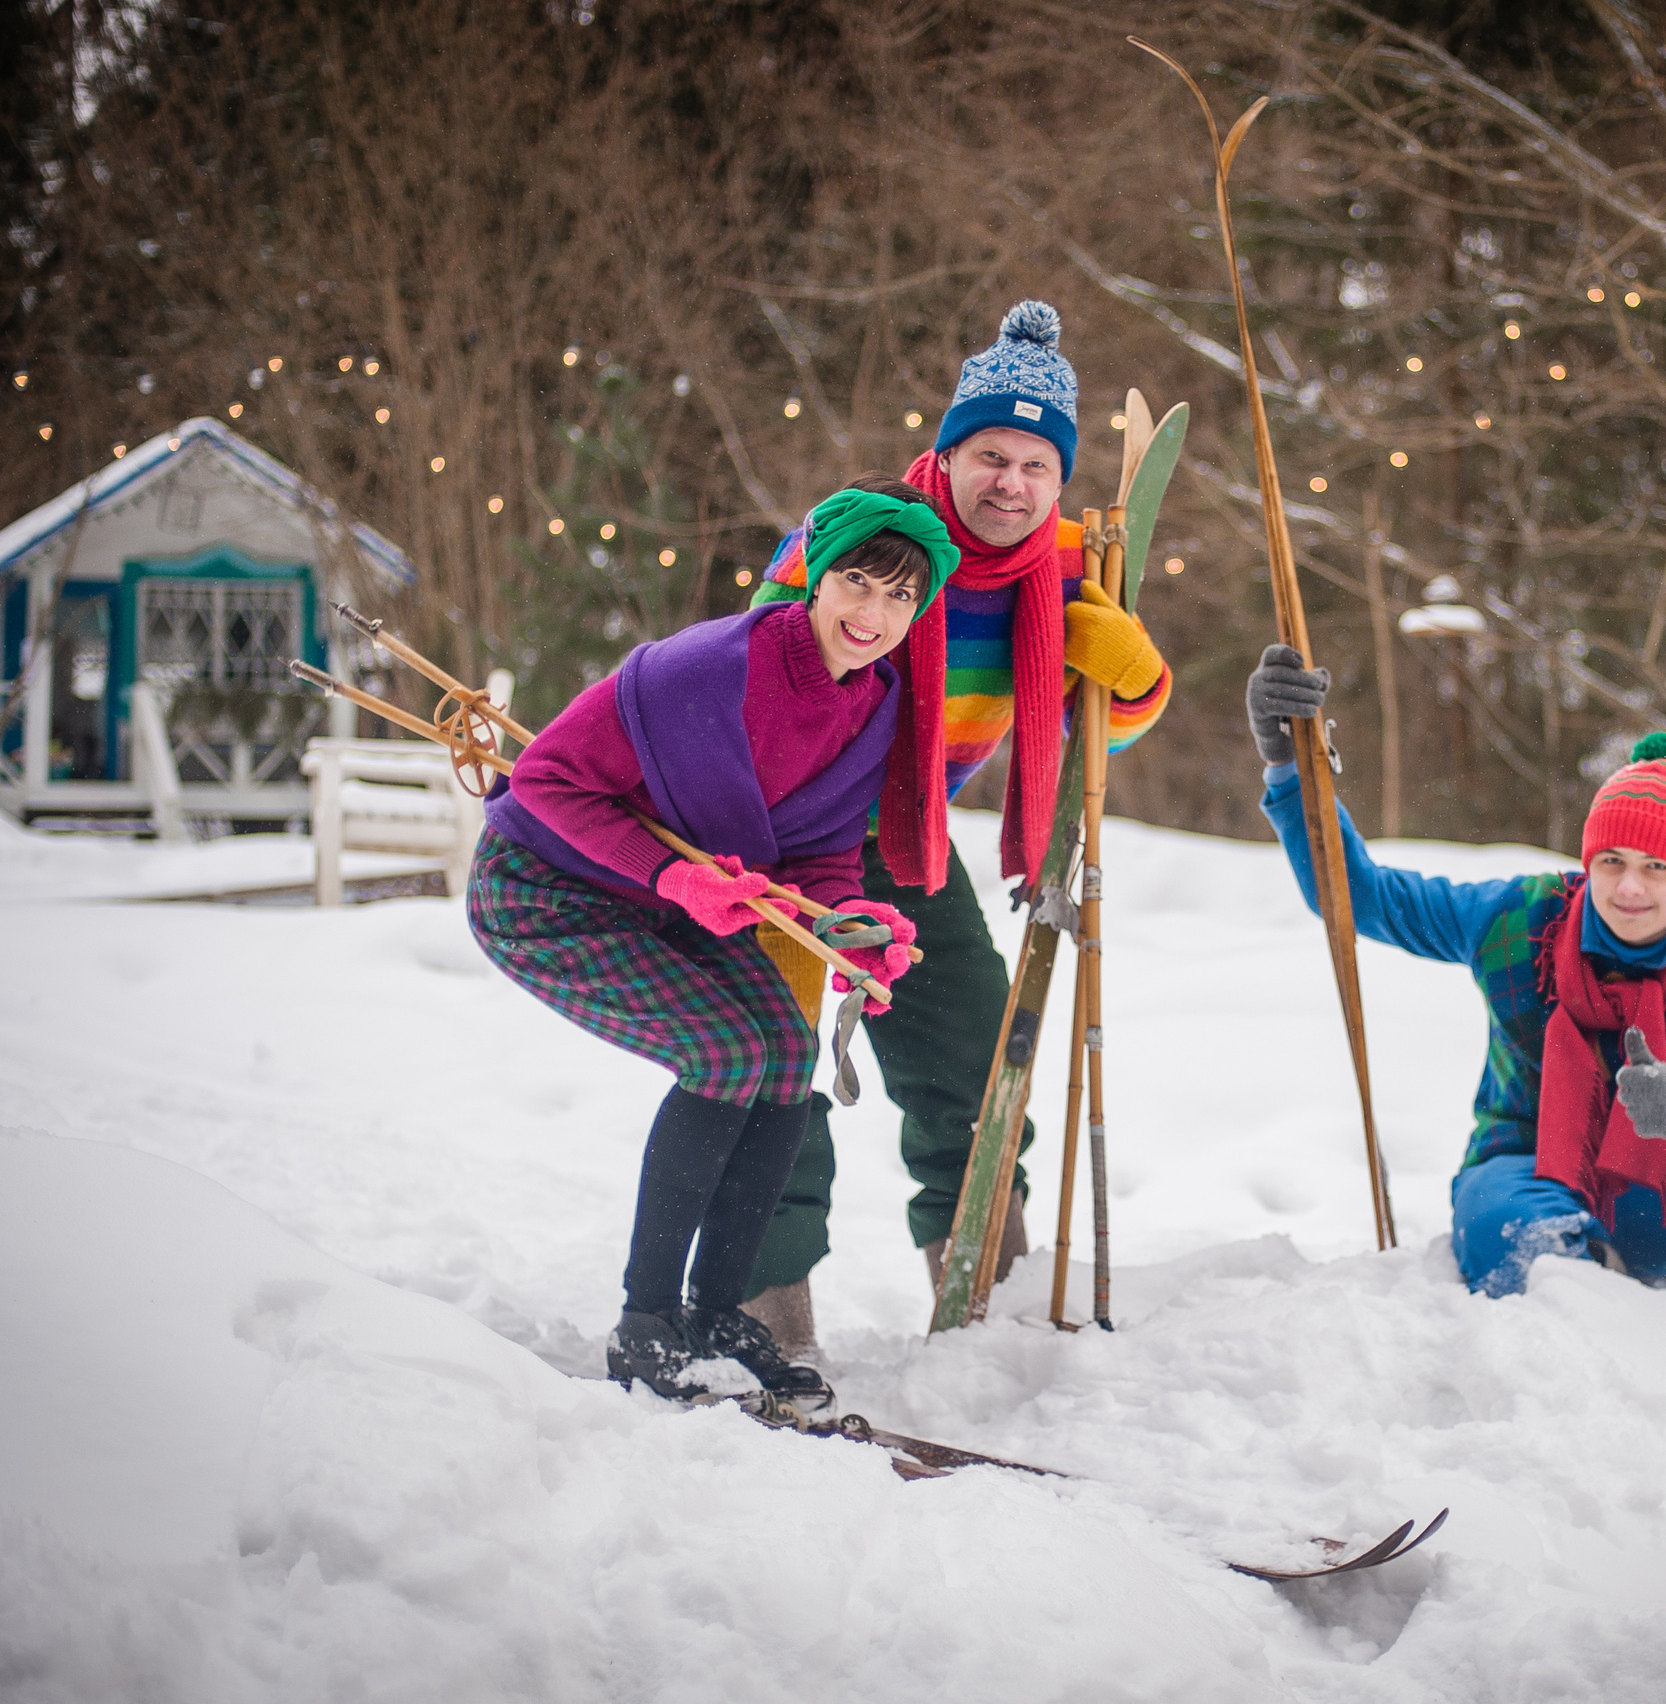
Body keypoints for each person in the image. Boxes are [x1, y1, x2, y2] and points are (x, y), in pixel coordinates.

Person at [467, 478, 959, 1410]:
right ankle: (646, 1324)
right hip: (546, 890)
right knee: (724, 1050)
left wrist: (851, 928)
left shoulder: (875, 703)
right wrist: (672, 876)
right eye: (860, 581)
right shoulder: (704, 669)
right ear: (815, 575)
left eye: (903, 596)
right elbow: (542, 781)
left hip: (681, 903)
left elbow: (816, 850)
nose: (877, 612)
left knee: (785, 1053)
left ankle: (720, 1311)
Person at [737, 300, 1175, 1350]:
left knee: (979, 1064)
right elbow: (744, 673)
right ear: (948, 451)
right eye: (989, 455)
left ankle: (984, 1302)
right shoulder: (856, 535)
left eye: (1035, 465)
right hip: (782, 839)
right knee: (770, 1068)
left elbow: (1103, 737)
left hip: (908, 841)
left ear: (1059, 480)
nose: (1010, 484)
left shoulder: (1073, 565)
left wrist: (1129, 672)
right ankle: (764, 1317)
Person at [1244, 649, 1666, 1322]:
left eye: (1657, 867)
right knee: (1514, 1230)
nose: (1630, 887)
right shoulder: (1517, 918)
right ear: (1588, 861)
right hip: (1525, 1169)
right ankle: (1582, 1319)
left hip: (1660, 1186)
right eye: (1613, 861)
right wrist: (1290, 767)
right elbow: (1360, 898)